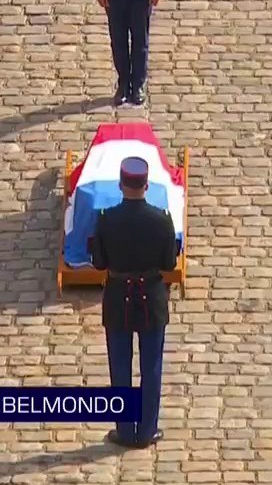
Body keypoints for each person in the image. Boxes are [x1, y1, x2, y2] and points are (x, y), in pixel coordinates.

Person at [89, 156, 178, 448]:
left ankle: (126, 431)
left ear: (120, 185)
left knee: (121, 367)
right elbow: (168, 262)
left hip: (118, 299)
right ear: (146, 185)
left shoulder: (106, 218)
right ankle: (147, 429)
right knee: (151, 367)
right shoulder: (161, 218)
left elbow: (99, 263)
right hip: (151, 297)